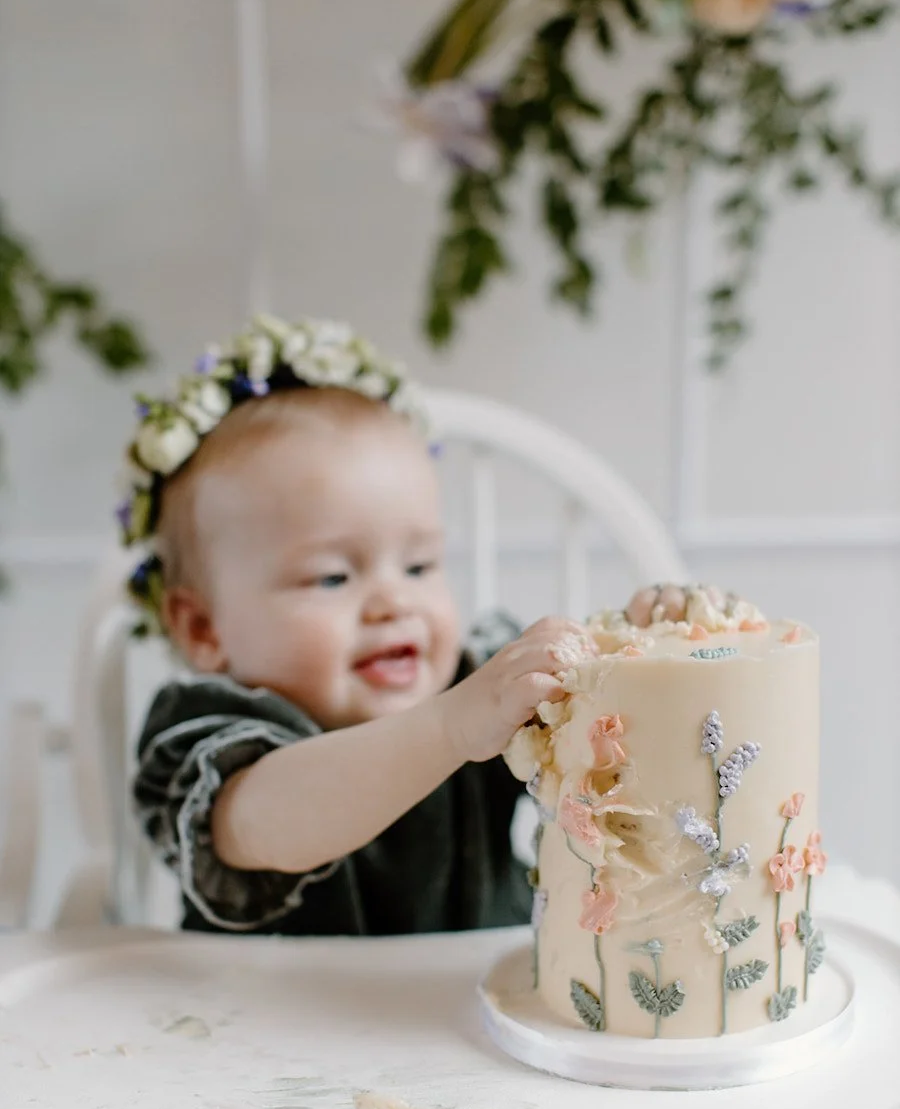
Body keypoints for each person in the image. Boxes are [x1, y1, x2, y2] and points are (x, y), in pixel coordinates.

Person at [119, 315, 592, 935]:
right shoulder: (203, 734)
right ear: (204, 628)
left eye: (420, 565)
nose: (393, 601)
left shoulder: (480, 679)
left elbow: (607, 730)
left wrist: (644, 642)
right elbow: (266, 824)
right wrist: (450, 725)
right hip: (266, 1024)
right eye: (333, 578)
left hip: (467, 1013)